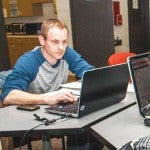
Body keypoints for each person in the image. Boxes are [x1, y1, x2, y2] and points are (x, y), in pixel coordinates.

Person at [0, 19, 103, 150]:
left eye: (64, 42)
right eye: (55, 42)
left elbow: (90, 73)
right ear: (42, 41)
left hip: (45, 101)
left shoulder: (66, 53)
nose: (61, 47)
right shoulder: (29, 61)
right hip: (10, 88)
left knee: (91, 116)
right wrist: (47, 98)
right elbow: (8, 95)